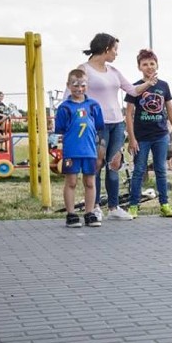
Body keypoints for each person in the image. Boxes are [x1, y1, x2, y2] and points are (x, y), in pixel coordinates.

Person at [74, 33, 158, 222]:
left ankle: (113, 207)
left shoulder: (113, 71)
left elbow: (132, 90)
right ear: (106, 49)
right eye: (115, 50)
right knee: (95, 165)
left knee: (114, 165)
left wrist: (148, 84)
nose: (116, 54)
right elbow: (71, 95)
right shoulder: (84, 69)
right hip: (96, 124)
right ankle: (94, 206)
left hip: (116, 123)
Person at [124, 49, 172, 219]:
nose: (149, 67)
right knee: (139, 171)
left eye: (151, 63)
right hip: (141, 137)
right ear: (139, 67)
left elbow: (170, 109)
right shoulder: (134, 87)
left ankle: (164, 204)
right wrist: (132, 138)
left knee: (161, 170)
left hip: (161, 135)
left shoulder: (163, 86)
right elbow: (128, 114)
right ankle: (133, 206)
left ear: (157, 65)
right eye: (145, 64)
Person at [54, 69, 104, 228]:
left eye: (82, 85)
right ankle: (71, 214)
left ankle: (89, 213)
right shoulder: (64, 108)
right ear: (68, 85)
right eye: (75, 85)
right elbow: (60, 129)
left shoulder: (93, 105)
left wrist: (100, 149)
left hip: (89, 151)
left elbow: (99, 128)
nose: (79, 89)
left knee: (90, 182)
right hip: (71, 151)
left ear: (87, 85)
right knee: (71, 182)